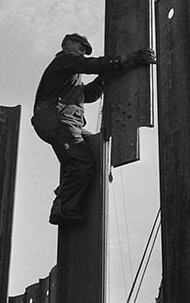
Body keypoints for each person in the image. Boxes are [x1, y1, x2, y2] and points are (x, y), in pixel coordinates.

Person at [31, 33, 156, 224]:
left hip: (61, 121)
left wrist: (104, 79)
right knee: (81, 164)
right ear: (67, 44)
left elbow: (87, 95)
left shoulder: (70, 76)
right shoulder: (65, 61)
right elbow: (91, 65)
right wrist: (128, 59)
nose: (82, 52)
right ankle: (63, 209)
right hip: (57, 119)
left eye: (85, 50)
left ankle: (66, 195)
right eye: (80, 47)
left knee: (92, 149)